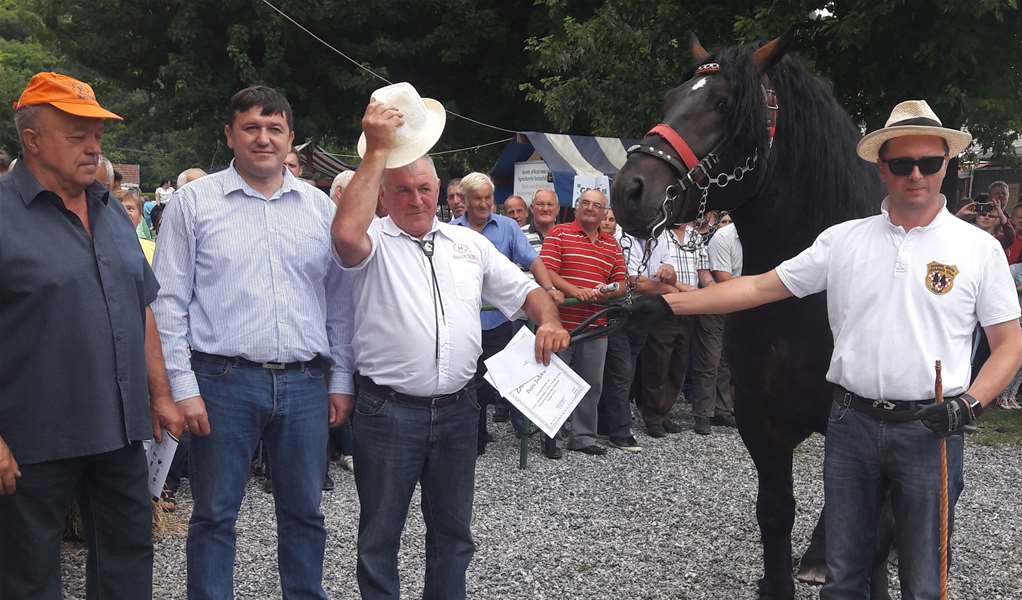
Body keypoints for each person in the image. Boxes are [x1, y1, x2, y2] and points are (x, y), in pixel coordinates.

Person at [631, 100, 1022, 598]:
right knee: (843, 576)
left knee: (925, 579)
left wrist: (970, 403)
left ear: (948, 164)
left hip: (932, 428)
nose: (916, 175)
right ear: (882, 168)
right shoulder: (842, 241)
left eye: (929, 162)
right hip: (851, 427)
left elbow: (1009, 344)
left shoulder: (979, 249)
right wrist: (671, 307)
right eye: (901, 164)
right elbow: (758, 288)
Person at [332, 82, 569, 600]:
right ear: (383, 194)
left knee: (454, 536)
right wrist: (376, 151)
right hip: (388, 413)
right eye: (401, 190)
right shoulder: (372, 243)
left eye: (424, 188)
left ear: (441, 189)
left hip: (459, 412)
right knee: (379, 537)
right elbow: (345, 237)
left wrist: (548, 319)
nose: (415, 199)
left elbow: (527, 289)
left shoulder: (469, 244)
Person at [152, 85, 348, 599]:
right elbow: (168, 301)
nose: (264, 138)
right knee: (215, 514)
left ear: (291, 139)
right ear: (230, 135)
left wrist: (342, 379)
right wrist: (181, 385)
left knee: (305, 512)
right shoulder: (194, 204)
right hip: (221, 381)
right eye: (251, 127)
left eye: (275, 128)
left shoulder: (319, 208)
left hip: (305, 383)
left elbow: (338, 303)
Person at [0, 71, 183, 599]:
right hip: (33, 436)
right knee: (28, 575)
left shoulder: (111, 213)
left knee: (128, 560)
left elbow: (140, 307)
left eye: (97, 133)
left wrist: (162, 394)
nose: (93, 146)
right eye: (77, 133)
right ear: (32, 139)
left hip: (120, 432)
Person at [452, 172, 563, 453]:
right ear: (465, 201)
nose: (484, 203)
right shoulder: (451, 231)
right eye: (477, 198)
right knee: (470, 384)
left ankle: (529, 432)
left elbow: (533, 260)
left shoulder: (507, 227)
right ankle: (476, 440)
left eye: (488, 198)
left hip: (499, 320)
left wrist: (548, 287)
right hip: (466, 323)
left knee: (505, 380)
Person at [541, 189, 627, 457]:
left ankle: (583, 436)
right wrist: (576, 291)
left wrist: (608, 291)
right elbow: (547, 271)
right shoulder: (560, 233)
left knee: (591, 383)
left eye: (597, 205)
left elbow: (623, 284)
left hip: (595, 323)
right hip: (561, 322)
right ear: (577, 207)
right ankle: (550, 435)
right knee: (554, 380)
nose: (591, 208)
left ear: (604, 213)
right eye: (586, 203)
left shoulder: (611, 244)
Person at [639, 220, 714, 436]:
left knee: (679, 364)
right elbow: (653, 272)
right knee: (657, 362)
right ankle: (652, 416)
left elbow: (703, 272)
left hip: (690, 306)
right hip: (665, 303)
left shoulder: (695, 236)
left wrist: (712, 288)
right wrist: (686, 291)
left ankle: (664, 412)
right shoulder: (659, 235)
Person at [705, 216, 742, 427]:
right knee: (714, 360)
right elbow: (723, 278)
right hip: (722, 303)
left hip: (748, 302)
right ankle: (711, 411)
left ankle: (728, 407)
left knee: (734, 361)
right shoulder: (723, 237)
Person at [118, 189, 157, 264]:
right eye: (119, 208)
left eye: (130, 209)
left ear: (140, 217)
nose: (125, 213)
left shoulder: (154, 250)